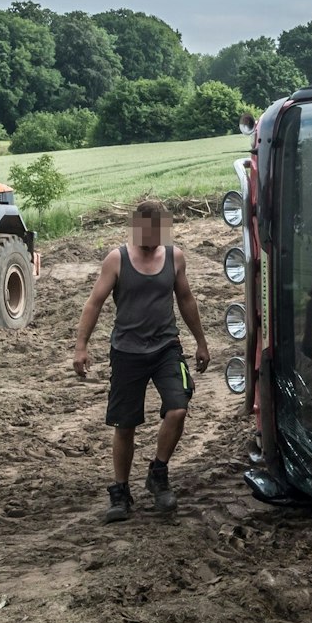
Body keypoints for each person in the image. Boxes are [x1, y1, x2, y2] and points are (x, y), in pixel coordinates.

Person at [74, 199, 211, 521]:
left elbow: (186, 299)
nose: (153, 239)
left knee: (178, 409)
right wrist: (81, 346)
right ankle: (120, 493)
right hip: (127, 352)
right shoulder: (117, 260)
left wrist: (201, 342)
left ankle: (158, 473)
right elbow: (94, 303)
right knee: (125, 425)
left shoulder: (175, 257)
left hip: (166, 348)